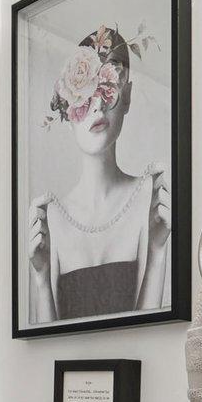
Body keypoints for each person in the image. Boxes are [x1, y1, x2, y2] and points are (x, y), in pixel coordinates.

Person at [27, 25, 170, 324]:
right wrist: (41, 279)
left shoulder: (149, 196)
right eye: (84, 96)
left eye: (108, 91)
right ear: (66, 109)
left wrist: (157, 251)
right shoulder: (50, 214)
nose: (98, 107)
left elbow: (146, 332)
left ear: (126, 96)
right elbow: (46, 338)